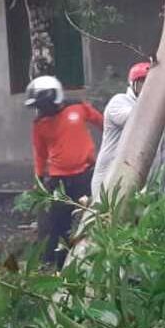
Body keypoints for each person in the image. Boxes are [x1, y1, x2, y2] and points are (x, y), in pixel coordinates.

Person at [26, 75, 104, 266]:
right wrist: (38, 177)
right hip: (59, 180)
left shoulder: (77, 108)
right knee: (58, 224)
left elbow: (104, 123)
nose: (42, 110)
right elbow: (40, 154)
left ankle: (93, 259)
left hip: (85, 175)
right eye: (39, 106)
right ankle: (58, 265)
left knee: (93, 217)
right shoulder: (40, 125)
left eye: (43, 105)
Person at [92, 61, 165, 199]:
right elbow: (136, 121)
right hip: (111, 183)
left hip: (144, 186)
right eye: (143, 83)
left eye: (153, 84)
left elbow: (164, 148)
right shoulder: (119, 102)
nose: (148, 88)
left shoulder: (156, 112)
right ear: (133, 84)